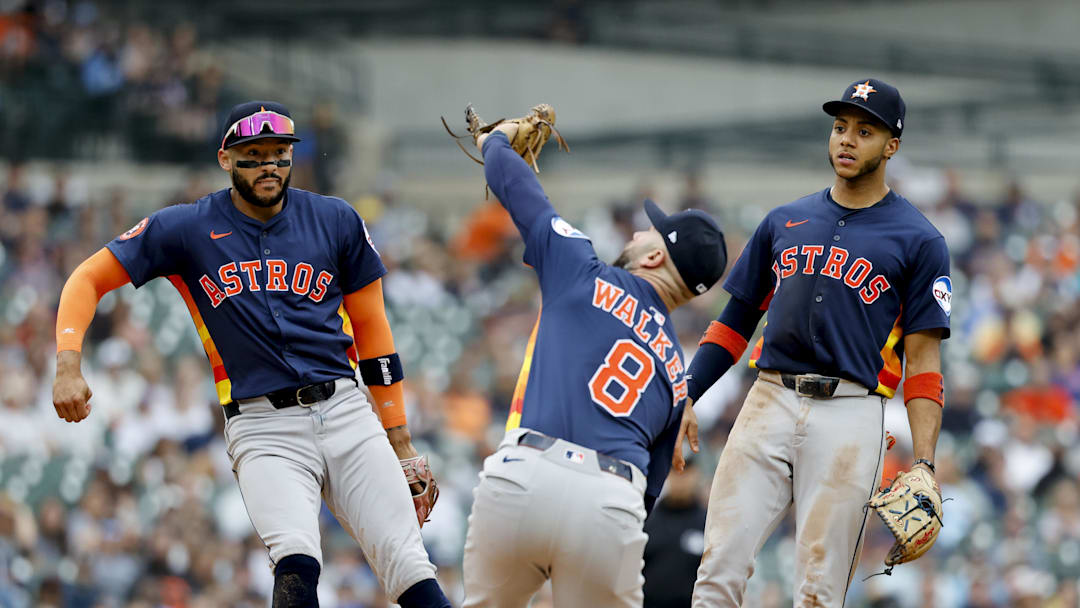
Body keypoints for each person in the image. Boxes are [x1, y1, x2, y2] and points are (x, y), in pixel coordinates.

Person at [51, 101, 451, 608]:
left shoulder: (335, 219)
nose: (269, 165)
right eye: (254, 154)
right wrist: (67, 361)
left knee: (410, 566)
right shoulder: (187, 228)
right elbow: (87, 277)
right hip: (263, 426)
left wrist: (401, 439)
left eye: (279, 153)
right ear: (226, 159)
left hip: (347, 411)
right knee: (297, 563)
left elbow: (374, 331)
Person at [675, 79, 951, 606]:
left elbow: (923, 360)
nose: (846, 140)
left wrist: (925, 462)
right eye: (840, 127)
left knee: (820, 591)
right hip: (768, 398)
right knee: (718, 569)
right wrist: (688, 391)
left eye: (864, 131)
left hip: (850, 413)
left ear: (891, 145)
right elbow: (735, 322)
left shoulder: (920, 240)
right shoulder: (784, 220)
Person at [460, 115, 727, 607]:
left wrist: (494, 138)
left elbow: (510, 179)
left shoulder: (581, 269)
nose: (637, 234)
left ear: (653, 259)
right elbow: (650, 495)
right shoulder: (676, 375)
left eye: (650, 233)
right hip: (611, 499)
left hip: (524, 476)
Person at [642, 458, 708, 608]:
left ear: (696, 474)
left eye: (686, 471)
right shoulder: (647, 519)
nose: (681, 477)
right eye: (675, 470)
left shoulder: (708, 524)